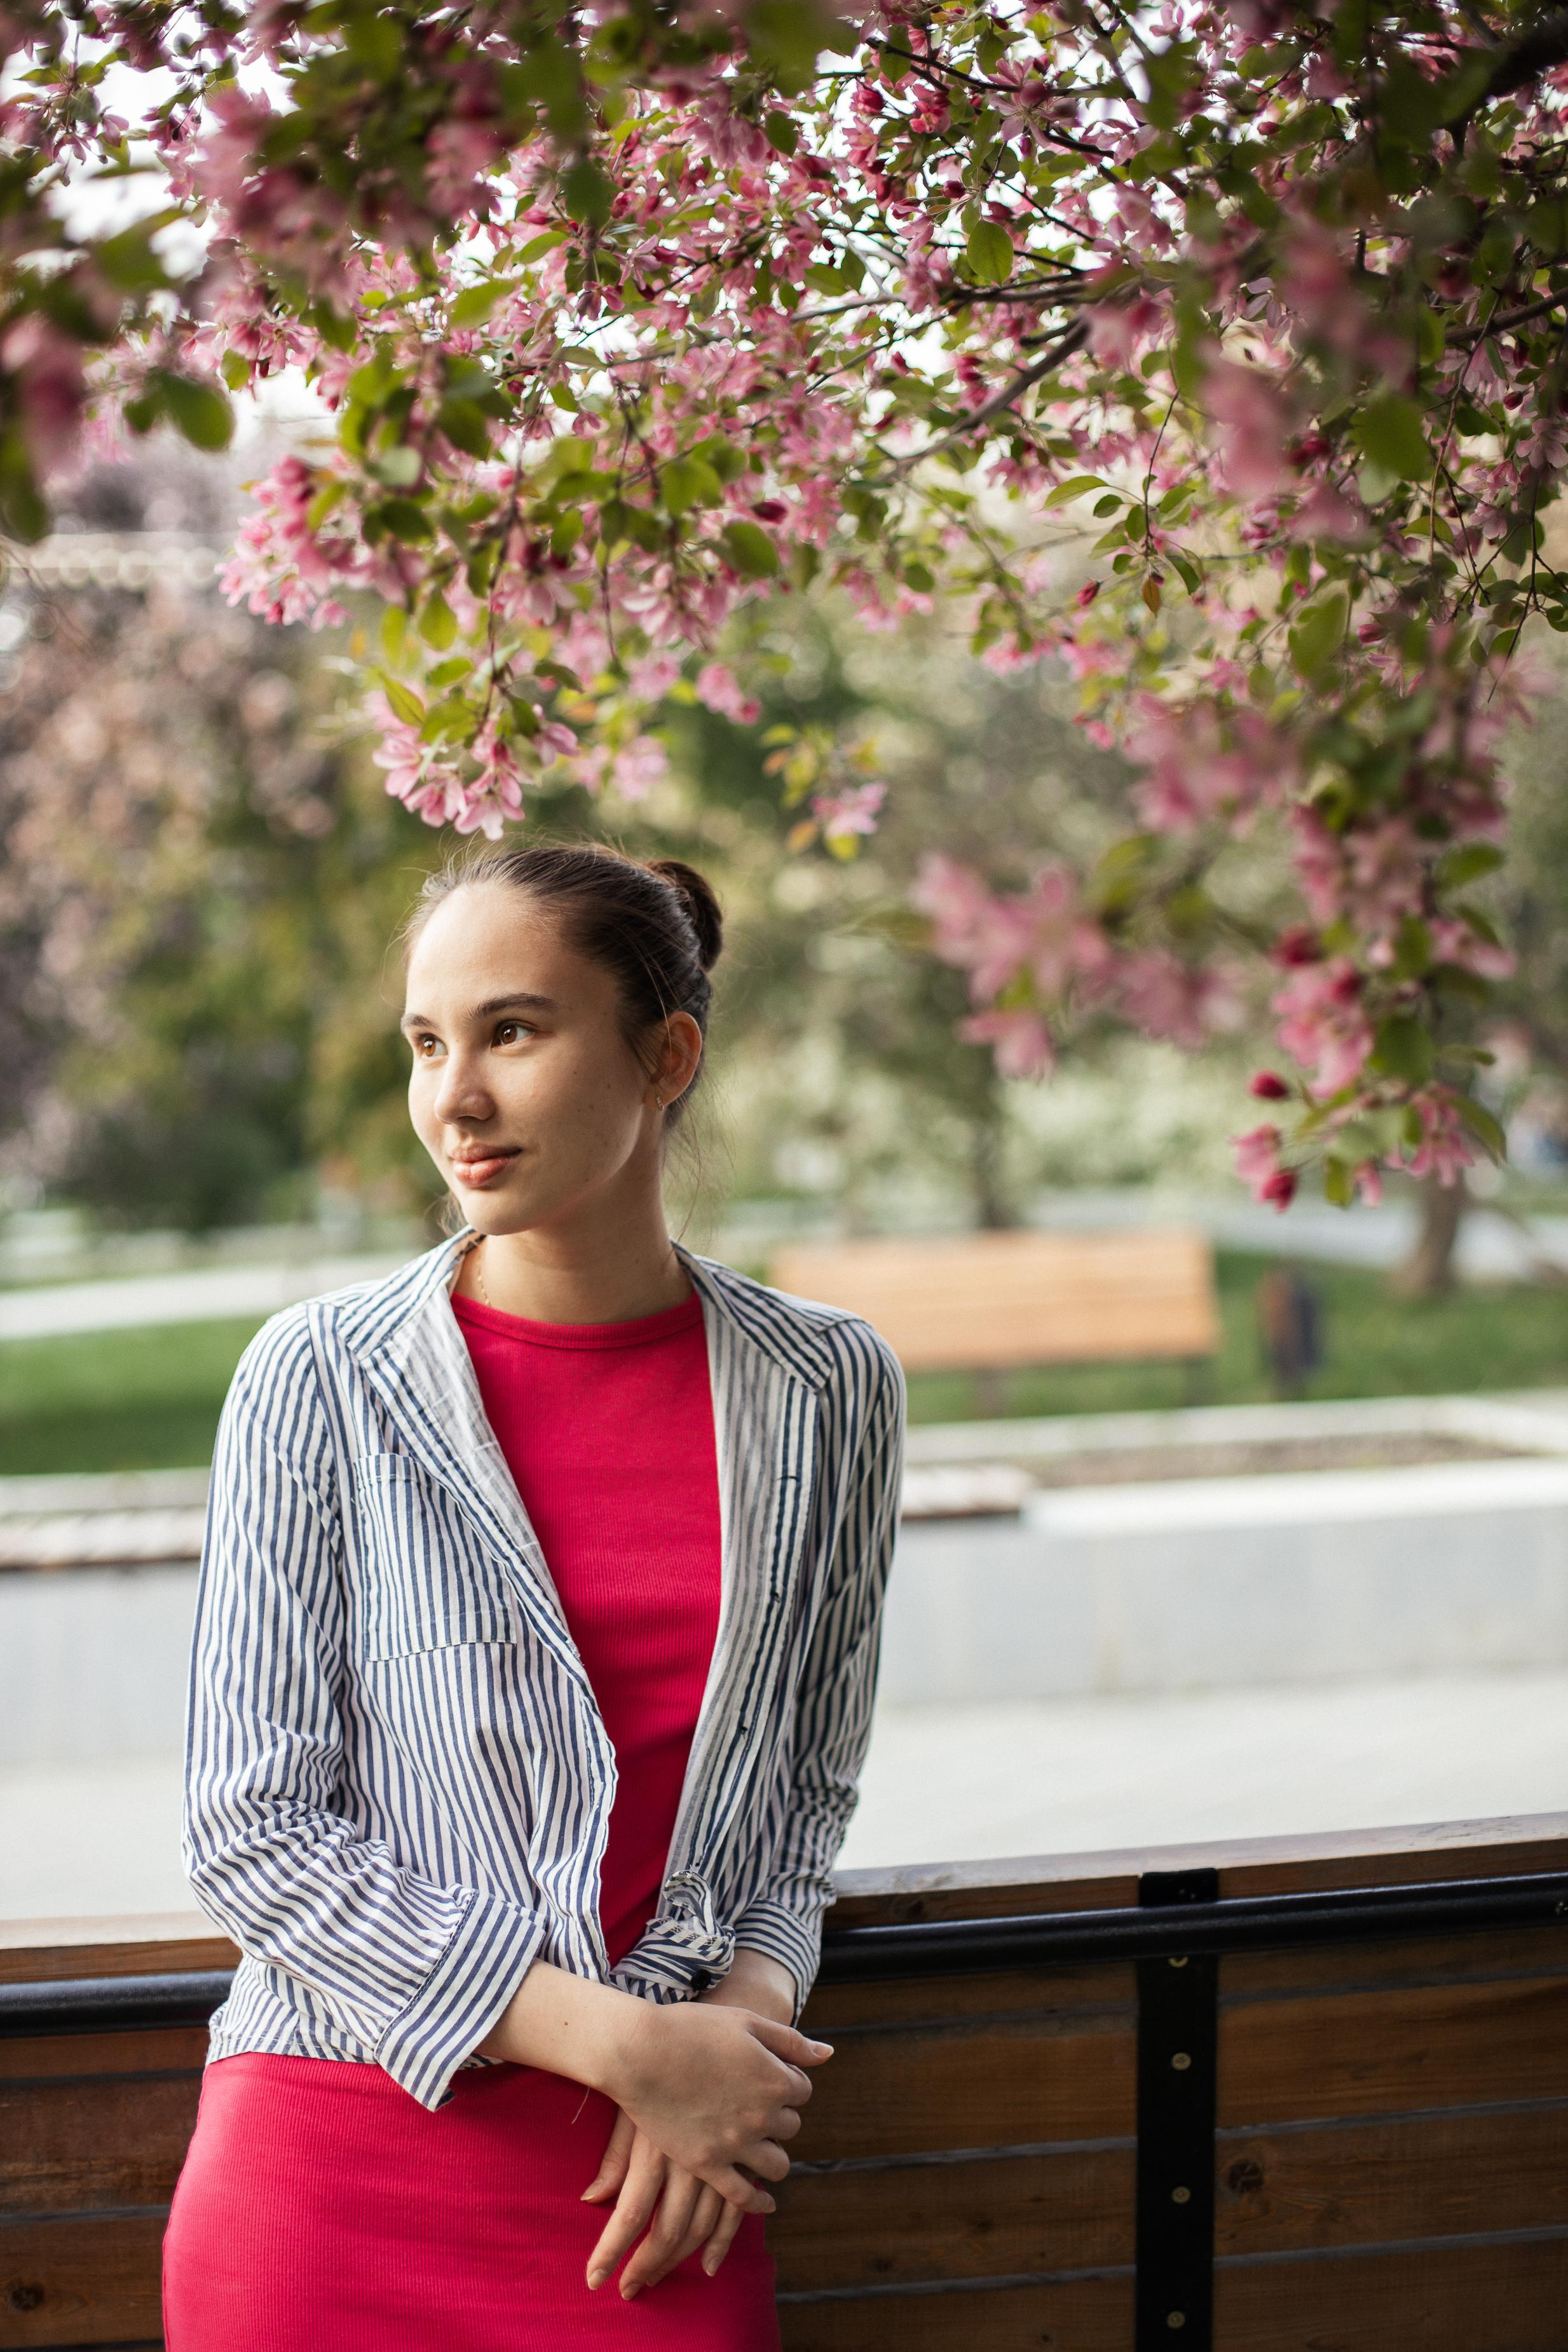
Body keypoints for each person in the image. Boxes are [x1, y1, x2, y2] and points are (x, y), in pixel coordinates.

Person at [161, 842, 906, 2350]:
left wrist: (736, 2040)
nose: (456, 1097)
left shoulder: (827, 1388)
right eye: (428, 1043)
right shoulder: (320, 1378)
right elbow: (251, 1828)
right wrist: (626, 2043)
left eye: (512, 1029)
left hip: (660, 2181)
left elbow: (800, 1801)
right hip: (332, 2161)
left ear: (665, 1053)